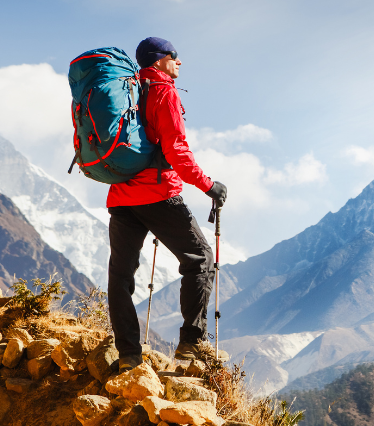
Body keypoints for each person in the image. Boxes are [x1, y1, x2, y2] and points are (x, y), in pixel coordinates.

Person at [107, 36, 229, 372]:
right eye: (175, 55)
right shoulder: (163, 92)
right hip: (158, 195)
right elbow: (176, 150)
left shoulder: (124, 90)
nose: (179, 61)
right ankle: (191, 345)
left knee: (120, 275)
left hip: (120, 196)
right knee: (200, 258)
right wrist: (209, 186)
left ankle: (129, 355)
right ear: (160, 59)